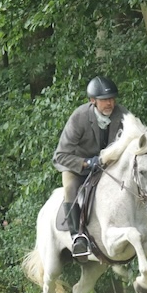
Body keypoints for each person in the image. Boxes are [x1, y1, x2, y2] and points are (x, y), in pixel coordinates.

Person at [52, 76, 129, 257]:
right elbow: (60, 155)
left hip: (107, 166)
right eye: (104, 100)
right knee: (70, 188)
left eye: (112, 99)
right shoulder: (80, 117)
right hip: (77, 166)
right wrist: (86, 163)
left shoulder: (122, 114)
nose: (110, 103)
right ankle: (77, 237)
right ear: (93, 100)